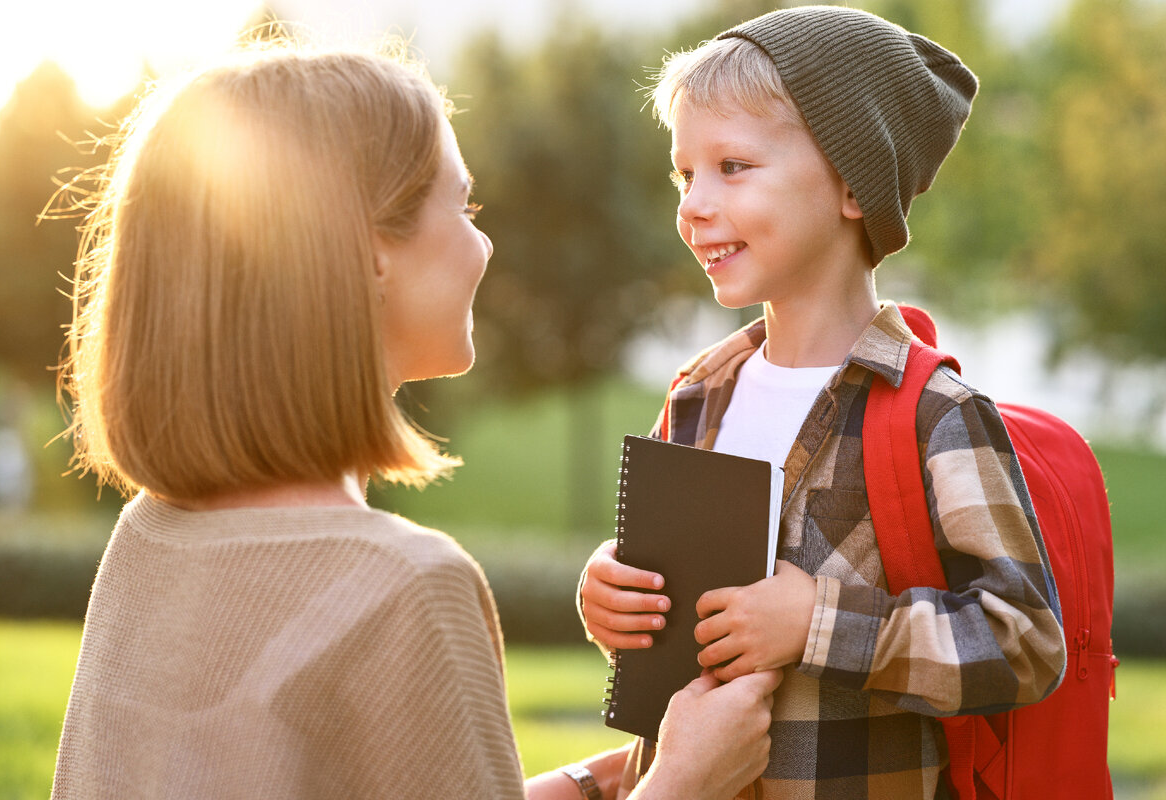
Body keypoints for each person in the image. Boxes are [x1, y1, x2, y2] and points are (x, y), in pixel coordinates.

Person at [50, 39, 783, 800]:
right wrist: (687, 782)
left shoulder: (149, 536)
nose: (483, 242)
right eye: (462, 206)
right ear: (371, 253)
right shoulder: (403, 588)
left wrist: (586, 787)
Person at [577, 6, 1068, 799]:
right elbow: (681, 620)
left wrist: (819, 625)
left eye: (733, 166)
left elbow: (1026, 643)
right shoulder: (698, 394)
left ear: (850, 183)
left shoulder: (933, 413)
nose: (693, 204)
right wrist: (615, 597)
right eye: (684, 173)